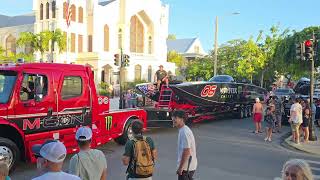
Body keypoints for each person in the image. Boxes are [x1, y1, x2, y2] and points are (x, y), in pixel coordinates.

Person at [172, 110, 197, 180]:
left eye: (175, 117)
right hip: (187, 166)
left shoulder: (184, 132)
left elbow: (186, 151)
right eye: (173, 117)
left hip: (186, 167)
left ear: (182, 119)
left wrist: (180, 168)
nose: (173, 119)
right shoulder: (183, 130)